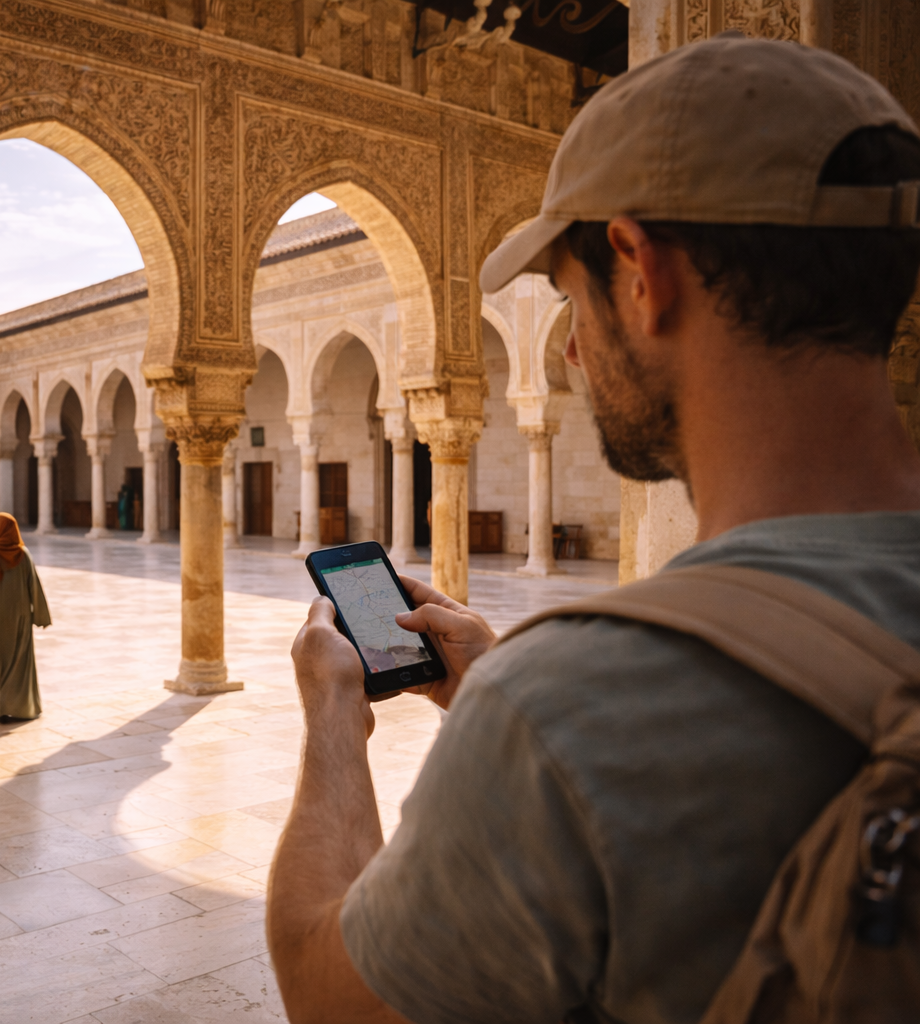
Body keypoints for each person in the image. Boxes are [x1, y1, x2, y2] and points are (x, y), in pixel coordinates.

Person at [268, 36, 920, 1024]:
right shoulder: (555, 708)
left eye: (572, 299)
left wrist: (332, 722)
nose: (568, 348)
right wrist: (497, 676)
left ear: (641, 269)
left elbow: (329, 994)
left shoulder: (562, 715)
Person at [0, 512, 51, 722]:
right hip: (20, 615)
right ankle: (21, 707)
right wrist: (40, 614)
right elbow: (34, 585)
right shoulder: (24, 554)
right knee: (20, 661)